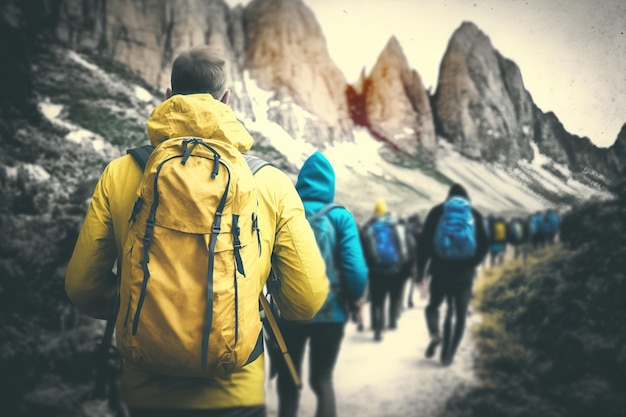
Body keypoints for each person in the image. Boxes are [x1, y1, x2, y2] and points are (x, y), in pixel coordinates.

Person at [65, 45, 329, 417]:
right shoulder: (269, 182)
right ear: (227, 100)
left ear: (169, 96)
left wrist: (143, 308)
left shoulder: (121, 172)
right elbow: (306, 300)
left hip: (145, 390)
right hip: (235, 392)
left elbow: (81, 286)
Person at [275, 151, 368, 417]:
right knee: (322, 379)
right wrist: (357, 298)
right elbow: (356, 268)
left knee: (288, 379)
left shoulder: (286, 211)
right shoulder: (340, 217)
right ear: (330, 184)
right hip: (331, 311)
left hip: (289, 311)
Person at [415, 183, 489, 366]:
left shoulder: (436, 212)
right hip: (464, 273)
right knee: (459, 313)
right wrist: (472, 263)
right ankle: (448, 356)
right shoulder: (474, 214)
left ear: (448, 197)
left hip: (440, 270)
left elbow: (423, 245)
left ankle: (436, 334)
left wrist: (421, 272)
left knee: (433, 306)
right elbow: (484, 244)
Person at [361, 198, 414, 342]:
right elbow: (408, 246)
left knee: (378, 300)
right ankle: (392, 322)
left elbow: (364, 250)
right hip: (395, 269)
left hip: (376, 270)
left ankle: (377, 327)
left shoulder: (370, 228)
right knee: (394, 296)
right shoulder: (397, 226)